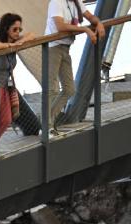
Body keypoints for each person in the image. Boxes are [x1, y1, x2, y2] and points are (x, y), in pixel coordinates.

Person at [45, 0, 105, 132]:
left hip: (65, 48)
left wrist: (98, 22)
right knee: (51, 88)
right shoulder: (57, 2)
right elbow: (60, 26)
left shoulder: (76, 2)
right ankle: (47, 126)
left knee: (69, 89)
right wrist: (85, 29)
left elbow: (90, 16)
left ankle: (48, 121)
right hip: (53, 47)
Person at [0, 15, 36, 156]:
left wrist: (19, 40)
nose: (17, 32)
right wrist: (12, 45)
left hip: (5, 85)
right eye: (14, 29)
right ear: (6, 29)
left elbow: (31, 35)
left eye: (19, 29)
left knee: (7, 118)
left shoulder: (14, 39)